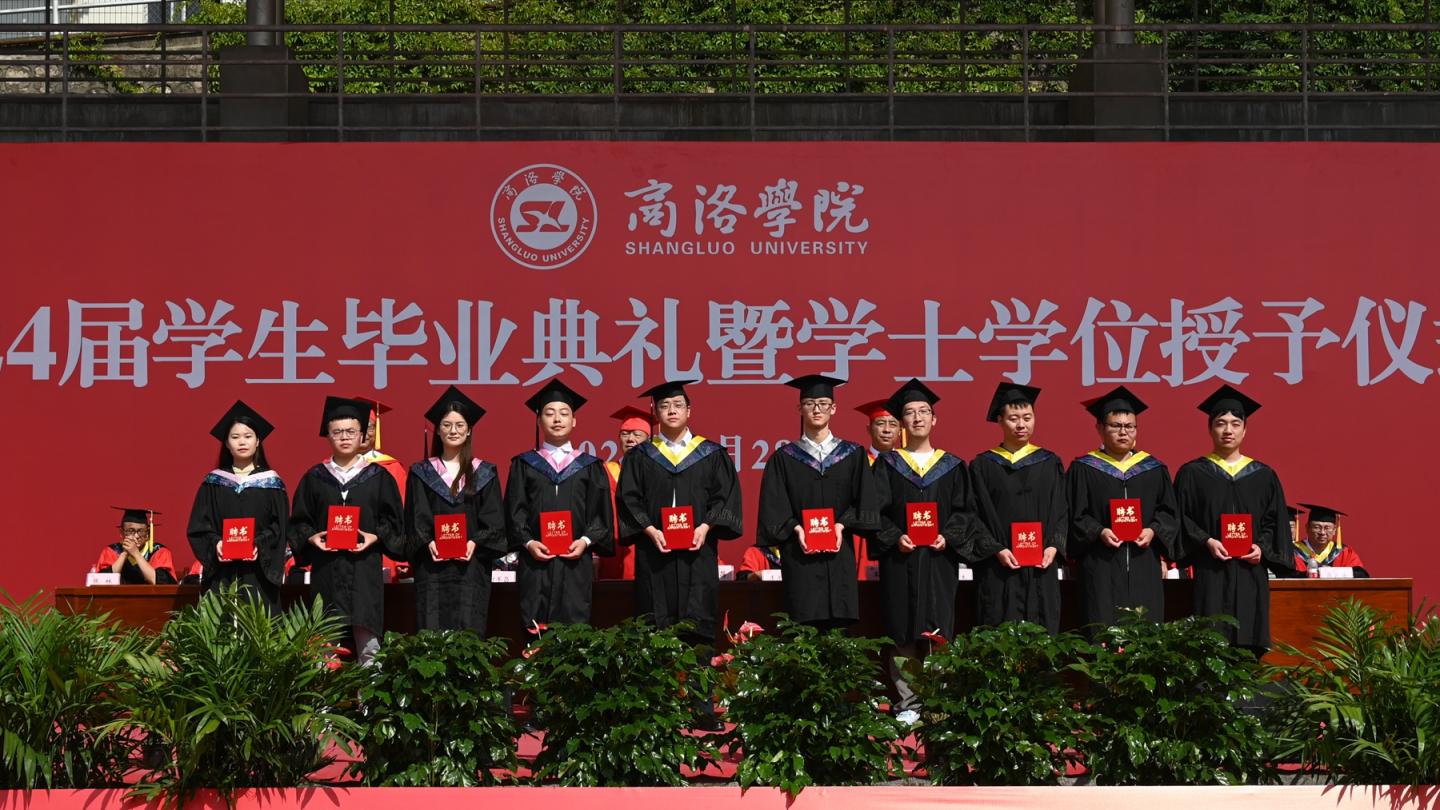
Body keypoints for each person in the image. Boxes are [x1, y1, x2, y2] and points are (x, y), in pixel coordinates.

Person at [615, 379, 743, 730]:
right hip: (655, 554)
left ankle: (702, 707)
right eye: (664, 405)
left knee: (699, 628)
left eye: (677, 405)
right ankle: (660, 708)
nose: (671, 410)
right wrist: (649, 529)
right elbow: (628, 499)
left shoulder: (711, 454)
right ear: (654, 413)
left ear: (689, 411)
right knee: (656, 628)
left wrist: (706, 526)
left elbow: (724, 497)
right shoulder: (640, 456)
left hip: (697, 556)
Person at [870, 379, 994, 722]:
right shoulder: (887, 465)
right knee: (902, 628)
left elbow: (966, 511)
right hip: (901, 559)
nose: (918, 418)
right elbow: (874, 512)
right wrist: (895, 536)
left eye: (924, 412)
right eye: (910, 413)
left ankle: (938, 701)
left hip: (939, 560)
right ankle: (909, 703)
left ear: (934, 419)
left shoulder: (951, 466)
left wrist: (948, 536)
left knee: (937, 629)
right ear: (902, 422)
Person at [1175, 385, 1294, 653]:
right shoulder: (1193, 473)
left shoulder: (1263, 475)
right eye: (1220, 423)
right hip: (1211, 570)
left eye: (1235, 424)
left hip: (1251, 571)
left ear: (1244, 430)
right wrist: (1206, 541)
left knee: (1249, 641)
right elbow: (1181, 518)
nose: (1228, 430)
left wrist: (1261, 547)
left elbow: (1273, 521)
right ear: (1210, 429)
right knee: (1210, 639)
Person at [755, 374, 878, 631]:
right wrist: (796, 528)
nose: (816, 409)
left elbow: (865, 501)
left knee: (839, 631)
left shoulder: (852, 455)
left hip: (839, 558)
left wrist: (841, 525)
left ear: (834, 409)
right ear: (799, 409)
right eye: (809, 403)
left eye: (823, 403)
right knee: (803, 628)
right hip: (800, 559)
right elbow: (774, 507)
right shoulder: (784, 458)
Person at [290, 396, 404, 665]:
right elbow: (299, 522)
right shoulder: (314, 478)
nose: (344, 437)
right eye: (337, 432)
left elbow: (395, 522)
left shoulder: (379, 477)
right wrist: (312, 537)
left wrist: (375, 536)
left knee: (369, 646)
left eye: (351, 432)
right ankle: (323, 693)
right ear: (328, 436)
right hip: (327, 572)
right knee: (325, 647)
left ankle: (370, 693)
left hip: (364, 572)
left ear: (362, 436)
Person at [1066, 386, 1181, 629]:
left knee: (1145, 630)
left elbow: (1169, 512)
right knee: (1102, 629)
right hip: (1100, 565)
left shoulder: (1153, 469)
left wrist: (1153, 530)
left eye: (1129, 426)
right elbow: (1074, 514)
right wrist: (1099, 531)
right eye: (1115, 425)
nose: (1123, 432)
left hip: (1143, 564)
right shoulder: (1083, 469)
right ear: (1100, 428)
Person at [505, 379, 615, 630]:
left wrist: (584, 541)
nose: (557, 419)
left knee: (573, 628)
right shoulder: (524, 464)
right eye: (549, 413)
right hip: (535, 563)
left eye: (564, 413)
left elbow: (600, 514)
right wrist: (529, 543)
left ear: (574, 421)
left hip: (575, 563)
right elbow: (514, 511)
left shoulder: (589, 466)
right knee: (535, 628)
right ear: (539, 420)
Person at [404, 385, 507, 633]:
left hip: (471, 569)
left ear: (469, 430)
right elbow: (415, 517)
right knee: (432, 633)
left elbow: (494, 521)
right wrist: (428, 542)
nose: (453, 430)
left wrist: (474, 542)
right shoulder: (422, 473)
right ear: (438, 430)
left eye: (460, 425)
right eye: (447, 425)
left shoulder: (484, 473)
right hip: (432, 569)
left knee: (469, 632)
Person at [970, 382, 1067, 635]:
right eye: (1014, 418)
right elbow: (973, 515)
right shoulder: (983, 465)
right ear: (1000, 420)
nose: (1021, 424)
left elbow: (1061, 510)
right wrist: (996, 549)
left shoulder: (1050, 463)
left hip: (1041, 567)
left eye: (1027, 417)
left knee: (1042, 635)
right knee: (999, 633)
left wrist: (1053, 546)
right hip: (999, 568)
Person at [185, 400, 288, 611]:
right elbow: (199, 526)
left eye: (248, 436)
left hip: (258, 573)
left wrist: (259, 544)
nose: (242, 442)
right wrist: (216, 543)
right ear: (226, 443)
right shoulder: (213, 482)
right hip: (222, 571)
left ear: (258, 441)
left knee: (257, 623)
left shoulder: (272, 483)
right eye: (235, 437)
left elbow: (281, 527)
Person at [597, 405, 651, 580]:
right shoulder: (606, 472)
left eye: (637, 434)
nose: (630, 439)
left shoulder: (657, 475)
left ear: (649, 440)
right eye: (625, 434)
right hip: (613, 547)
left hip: (646, 545)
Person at [93, 507, 177, 585]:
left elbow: (160, 582)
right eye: (130, 531)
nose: (136, 536)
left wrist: (136, 554)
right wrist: (124, 554)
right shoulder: (111, 551)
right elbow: (102, 583)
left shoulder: (159, 551)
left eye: (141, 531)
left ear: (147, 533)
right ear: (121, 532)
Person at [1292, 503, 1369, 577]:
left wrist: (1326, 573)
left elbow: (1361, 575)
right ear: (1307, 528)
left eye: (1327, 528)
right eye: (1317, 527)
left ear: (1334, 530)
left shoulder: (1345, 553)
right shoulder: (1292, 552)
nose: (1322, 532)